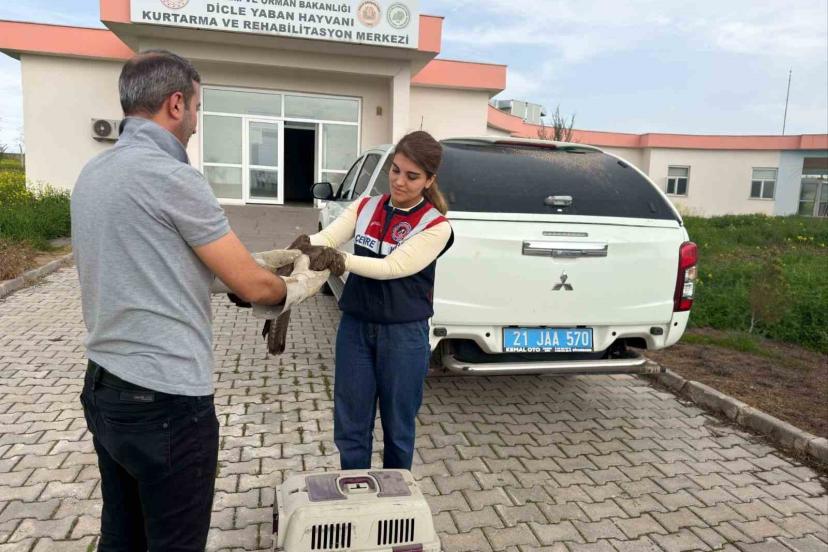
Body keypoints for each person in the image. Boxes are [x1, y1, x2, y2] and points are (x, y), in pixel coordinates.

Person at [71, 50, 326, 551]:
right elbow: (254, 288)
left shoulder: (93, 174)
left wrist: (256, 261)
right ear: (175, 103)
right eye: (197, 109)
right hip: (164, 403)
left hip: (104, 389)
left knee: (121, 537)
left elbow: (161, 263)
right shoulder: (173, 178)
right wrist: (299, 284)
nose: (195, 122)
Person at [290, 130, 454, 470]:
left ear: (429, 180)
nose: (399, 181)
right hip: (356, 328)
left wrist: (339, 260)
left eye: (412, 176)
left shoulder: (436, 226)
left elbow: (392, 267)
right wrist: (299, 250)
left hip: (404, 336)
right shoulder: (366, 206)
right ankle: (355, 490)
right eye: (395, 170)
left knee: (398, 429)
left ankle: (395, 495)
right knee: (350, 426)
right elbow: (328, 237)